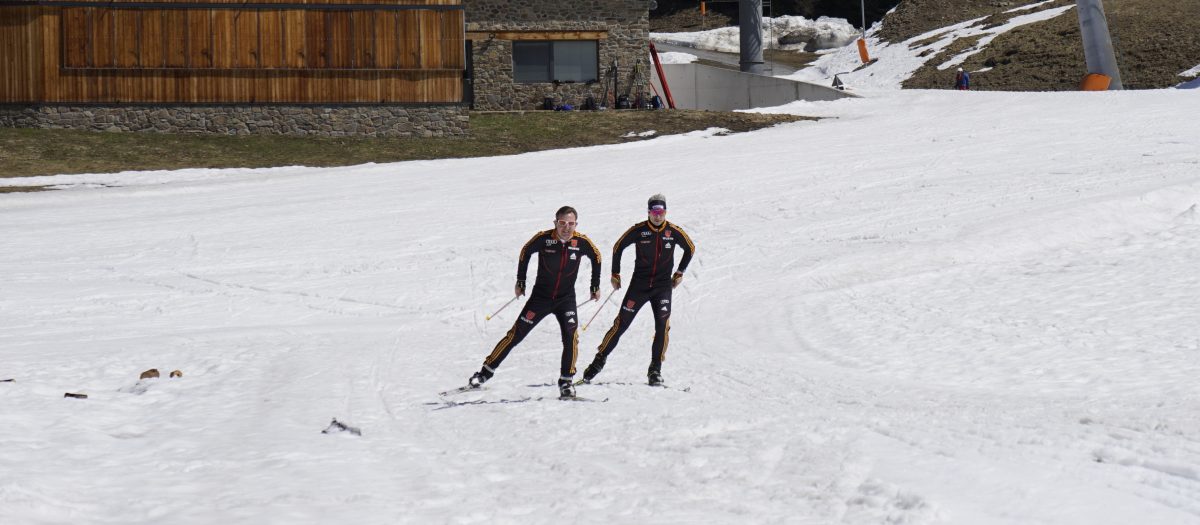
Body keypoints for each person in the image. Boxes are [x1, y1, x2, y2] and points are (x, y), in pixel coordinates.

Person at [468, 206, 601, 398]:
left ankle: (566, 382)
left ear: (576, 224)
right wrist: (520, 281)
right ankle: (484, 373)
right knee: (515, 335)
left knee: (571, 338)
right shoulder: (544, 238)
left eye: (570, 224)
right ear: (555, 223)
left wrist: (594, 286)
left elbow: (597, 257)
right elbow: (526, 252)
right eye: (562, 223)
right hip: (541, 298)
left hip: (566, 300)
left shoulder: (581, 242)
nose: (566, 227)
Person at [581, 194, 695, 386]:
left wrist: (679, 273)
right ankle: (598, 361)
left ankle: (655, 369)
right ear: (648, 212)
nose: (658, 216)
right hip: (639, 286)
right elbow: (618, 247)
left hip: (662, 288)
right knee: (621, 324)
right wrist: (615, 274)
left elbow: (690, 248)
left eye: (661, 212)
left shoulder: (673, 231)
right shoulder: (639, 230)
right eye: (654, 212)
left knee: (663, 327)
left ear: (665, 212)